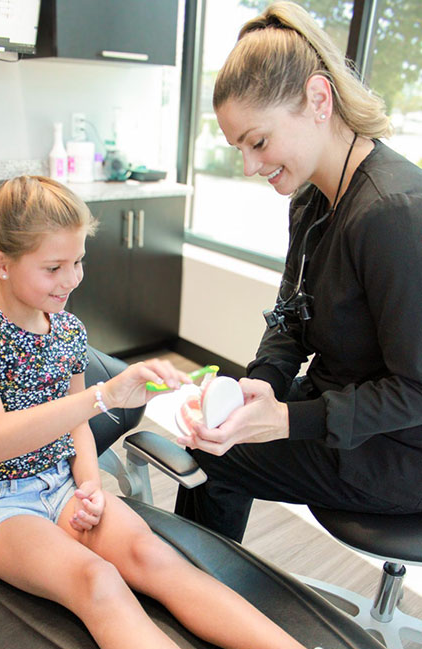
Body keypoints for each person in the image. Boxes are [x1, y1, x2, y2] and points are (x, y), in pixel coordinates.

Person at [0, 175, 422, 649]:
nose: (71, 280)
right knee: (98, 580)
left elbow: (74, 432)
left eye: (79, 262)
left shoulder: (67, 330)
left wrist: (90, 484)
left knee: (154, 554)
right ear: (0, 262)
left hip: (66, 489)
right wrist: (101, 396)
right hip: (3, 504)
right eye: (53, 268)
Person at [175, 1, 422, 546]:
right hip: (345, 403)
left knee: (216, 456)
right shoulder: (312, 201)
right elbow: (291, 316)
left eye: (258, 142)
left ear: (317, 99)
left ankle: (191, 604)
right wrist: (257, 388)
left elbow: (415, 391)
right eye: (238, 148)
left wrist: (285, 421)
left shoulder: (393, 213)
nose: (249, 166)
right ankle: (191, 594)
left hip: (401, 446)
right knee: (216, 433)